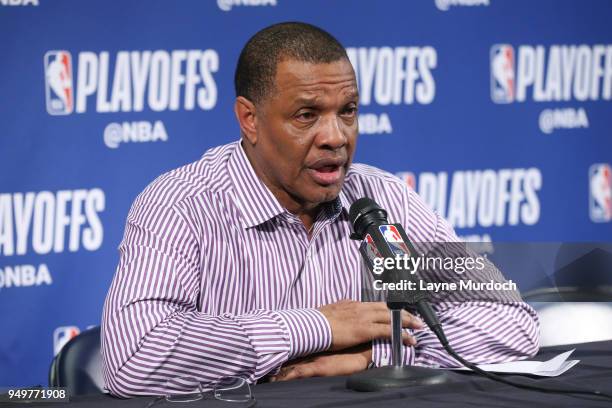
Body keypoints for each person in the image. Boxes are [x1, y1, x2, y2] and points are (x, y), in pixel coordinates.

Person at [101, 22, 539, 397]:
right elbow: (136, 359)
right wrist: (318, 327)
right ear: (249, 119)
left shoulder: (384, 200)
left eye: (347, 111)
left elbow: (510, 320)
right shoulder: (183, 205)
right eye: (307, 115)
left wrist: (375, 356)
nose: (336, 137)